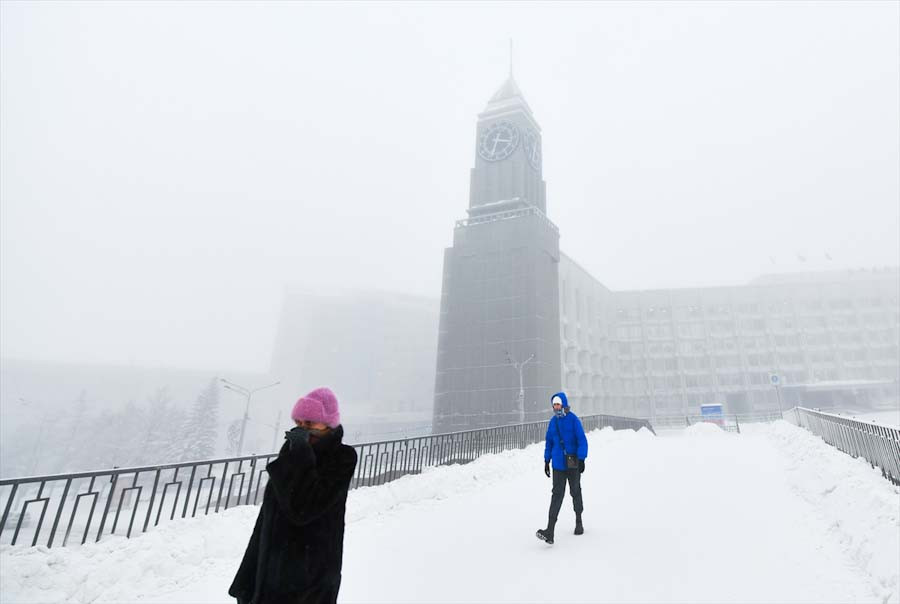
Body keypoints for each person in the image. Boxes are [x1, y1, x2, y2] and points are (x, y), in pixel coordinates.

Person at [229, 387, 358, 604]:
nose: (303, 429)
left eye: (310, 423)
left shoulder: (342, 457)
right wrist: (249, 576)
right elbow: (267, 518)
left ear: (328, 424)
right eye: (299, 422)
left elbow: (304, 508)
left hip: (309, 577)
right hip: (270, 570)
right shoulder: (292, 450)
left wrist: (301, 454)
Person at [535, 391, 587, 545]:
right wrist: (546, 460)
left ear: (563, 404)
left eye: (558, 404)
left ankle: (579, 520)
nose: (556, 407)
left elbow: (582, 440)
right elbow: (549, 442)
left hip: (572, 463)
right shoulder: (553, 422)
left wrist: (582, 458)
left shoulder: (573, 420)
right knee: (556, 495)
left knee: (575, 491)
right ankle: (550, 531)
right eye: (554, 405)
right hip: (558, 465)